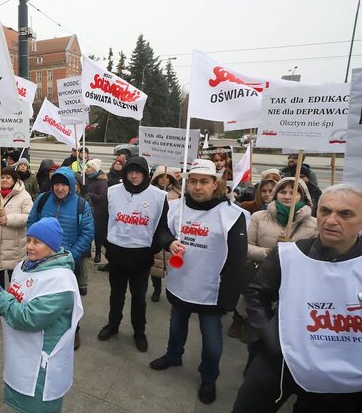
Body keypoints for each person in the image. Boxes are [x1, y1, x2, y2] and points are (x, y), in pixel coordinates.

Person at [232, 184, 362, 412]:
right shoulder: (289, 253)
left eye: (345, 214)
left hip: (342, 377)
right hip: (280, 364)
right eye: (325, 211)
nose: (331, 220)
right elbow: (257, 293)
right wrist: (267, 334)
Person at [148, 158, 248, 405]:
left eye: (204, 182)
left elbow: (238, 261)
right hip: (180, 284)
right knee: (176, 328)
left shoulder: (231, 215)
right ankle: (174, 355)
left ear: (216, 184)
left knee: (213, 343)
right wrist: (169, 241)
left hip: (211, 292)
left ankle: (209, 377)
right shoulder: (175, 208)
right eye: (192, 181)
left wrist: (228, 299)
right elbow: (161, 232)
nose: (197, 187)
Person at [0, 217, 83, 413]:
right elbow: (17, 297)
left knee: (38, 405)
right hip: (22, 353)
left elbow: (30, 318)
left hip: (41, 359)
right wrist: (3, 301)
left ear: (52, 247)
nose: (29, 246)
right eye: (28, 240)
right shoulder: (25, 265)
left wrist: (3, 302)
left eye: (37, 242)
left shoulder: (61, 281)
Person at [98, 157, 183, 353]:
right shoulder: (112, 192)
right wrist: (107, 247)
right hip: (117, 255)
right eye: (130, 171)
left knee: (139, 298)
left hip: (141, 257)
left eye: (138, 172)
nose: (134, 176)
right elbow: (101, 221)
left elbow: (162, 228)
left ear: (145, 174)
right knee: (116, 295)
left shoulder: (158, 196)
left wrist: (166, 244)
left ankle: (139, 331)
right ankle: (113, 325)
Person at [229, 177, 318, 341]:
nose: (287, 196)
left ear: (303, 196)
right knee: (257, 335)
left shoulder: (314, 225)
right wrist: (271, 252)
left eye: (293, 192)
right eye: (283, 191)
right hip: (261, 281)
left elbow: (316, 258)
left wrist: (291, 253)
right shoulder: (258, 217)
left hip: (294, 285)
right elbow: (246, 247)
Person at [27, 166, 94, 349]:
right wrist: (36, 244)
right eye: (56, 184)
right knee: (43, 294)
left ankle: (74, 330)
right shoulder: (42, 199)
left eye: (64, 185)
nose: (59, 188)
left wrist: (71, 254)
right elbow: (32, 221)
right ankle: (45, 326)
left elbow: (87, 233)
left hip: (68, 261)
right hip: (41, 259)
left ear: (71, 186)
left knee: (70, 298)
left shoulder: (81, 204)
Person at [0, 166, 33, 306]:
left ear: (14, 180)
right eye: (2, 177)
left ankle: (15, 300)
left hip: (14, 246)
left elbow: (29, 217)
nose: (4, 179)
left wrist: (8, 220)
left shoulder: (24, 195)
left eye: (8, 177)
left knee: (14, 276)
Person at [149, 165, 183, 302]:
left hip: (172, 234)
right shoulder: (151, 193)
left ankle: (174, 290)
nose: (164, 180)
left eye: (167, 177)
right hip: (156, 233)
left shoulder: (179, 194)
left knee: (173, 265)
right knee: (155, 266)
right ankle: (156, 290)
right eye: (161, 177)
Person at [84, 159, 108, 264]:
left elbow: (103, 197)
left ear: (94, 169)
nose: (87, 169)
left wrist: (90, 195)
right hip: (88, 210)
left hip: (98, 212)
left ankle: (98, 252)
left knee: (98, 234)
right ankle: (87, 250)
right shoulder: (87, 179)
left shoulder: (102, 182)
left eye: (89, 167)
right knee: (87, 230)